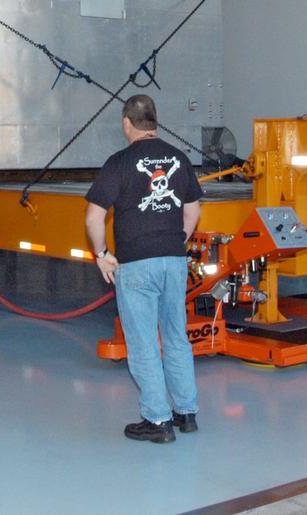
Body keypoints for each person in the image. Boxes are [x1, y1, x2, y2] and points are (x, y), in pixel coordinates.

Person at [84, 94, 203, 444]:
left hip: (136, 263)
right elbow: (193, 211)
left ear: (126, 123)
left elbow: (94, 217)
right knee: (176, 336)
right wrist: (176, 242)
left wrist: (102, 253)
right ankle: (186, 412)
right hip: (173, 259)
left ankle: (157, 420)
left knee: (143, 342)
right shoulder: (179, 158)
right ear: (154, 121)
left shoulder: (120, 162)